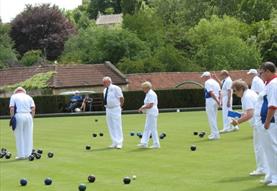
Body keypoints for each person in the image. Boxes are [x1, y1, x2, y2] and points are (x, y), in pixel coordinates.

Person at [231, 80, 267, 177]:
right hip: (261, 122)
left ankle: (262, 169)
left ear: (241, 89)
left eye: (235, 90)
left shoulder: (246, 97)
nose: (234, 93)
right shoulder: (250, 93)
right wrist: (241, 115)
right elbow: (250, 111)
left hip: (258, 124)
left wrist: (237, 122)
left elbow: (250, 114)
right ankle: (265, 168)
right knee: (263, 147)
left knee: (259, 147)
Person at [259, 62, 277, 186]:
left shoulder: (273, 84)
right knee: (268, 150)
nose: (261, 75)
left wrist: (266, 122)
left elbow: (272, 105)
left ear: (267, 71)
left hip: (271, 122)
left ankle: (276, 177)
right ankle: (271, 175)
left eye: (262, 72)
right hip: (268, 121)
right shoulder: (269, 84)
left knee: (272, 150)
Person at [9, 87, 35, 160]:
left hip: (19, 115)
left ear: (16, 92)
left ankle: (21, 155)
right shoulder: (29, 97)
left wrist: (12, 117)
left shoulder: (14, 96)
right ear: (24, 92)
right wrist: (31, 118)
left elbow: (12, 108)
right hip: (28, 115)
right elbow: (33, 109)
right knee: (28, 135)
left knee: (19, 135)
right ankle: (28, 154)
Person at [103, 76, 124, 149]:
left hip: (115, 108)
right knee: (111, 125)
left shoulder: (116, 88)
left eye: (104, 82)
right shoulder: (105, 90)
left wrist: (120, 106)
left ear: (109, 81)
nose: (103, 84)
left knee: (117, 125)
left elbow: (121, 98)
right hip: (108, 109)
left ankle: (119, 142)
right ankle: (114, 142)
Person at [137, 81, 160, 149]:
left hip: (152, 112)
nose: (142, 90)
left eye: (143, 88)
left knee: (153, 128)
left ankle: (156, 144)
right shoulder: (148, 94)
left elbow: (150, 105)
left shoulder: (151, 94)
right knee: (147, 128)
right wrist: (143, 107)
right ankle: (144, 143)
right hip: (149, 112)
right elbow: (148, 104)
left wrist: (142, 108)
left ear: (146, 88)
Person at [201, 71, 221, 140]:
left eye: (203, 77)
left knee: (211, 118)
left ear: (206, 76)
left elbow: (211, 92)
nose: (203, 78)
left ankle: (215, 135)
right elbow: (219, 92)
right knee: (214, 117)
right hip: (216, 100)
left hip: (210, 100)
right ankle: (214, 133)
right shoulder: (215, 82)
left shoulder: (207, 82)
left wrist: (217, 100)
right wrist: (218, 100)